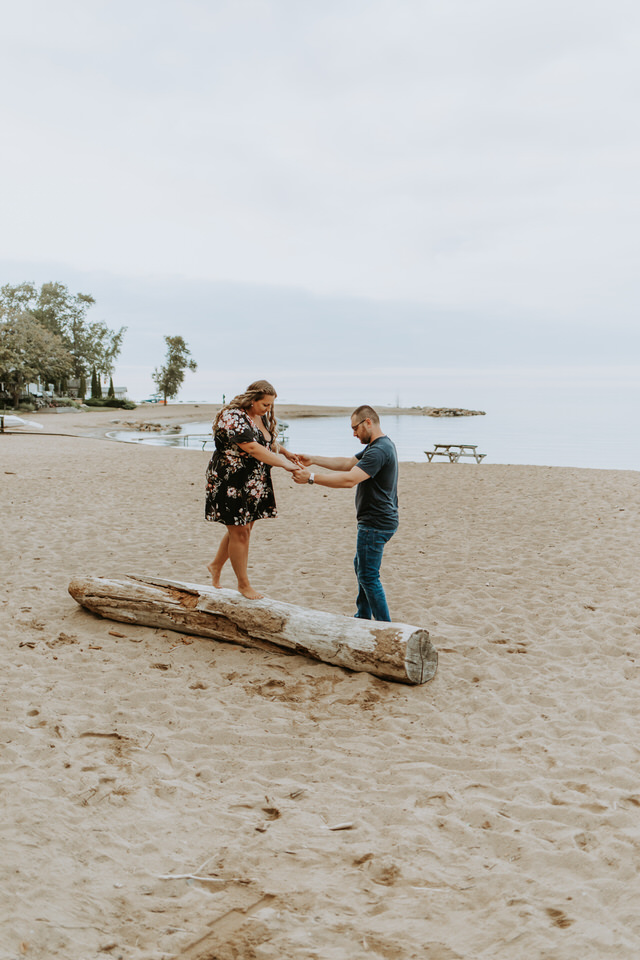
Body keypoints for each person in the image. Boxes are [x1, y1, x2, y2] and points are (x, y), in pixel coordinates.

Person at [293, 405, 399, 622]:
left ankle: (384, 628)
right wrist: (313, 458)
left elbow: (350, 479)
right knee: (361, 567)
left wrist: (311, 477)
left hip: (375, 522)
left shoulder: (378, 450)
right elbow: (347, 464)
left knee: (368, 576)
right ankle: (362, 617)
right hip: (380, 519)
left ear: (368, 422)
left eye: (355, 428)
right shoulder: (379, 445)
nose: (353, 433)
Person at [205, 380, 300, 599]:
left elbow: (264, 441)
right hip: (230, 481)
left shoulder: (260, 416)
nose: (269, 409)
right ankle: (243, 585)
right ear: (252, 399)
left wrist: (285, 452)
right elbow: (250, 446)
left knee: (243, 530)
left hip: (253, 482)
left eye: (270, 405)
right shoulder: (233, 416)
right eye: (265, 405)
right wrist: (283, 464)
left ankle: (216, 565)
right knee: (239, 532)